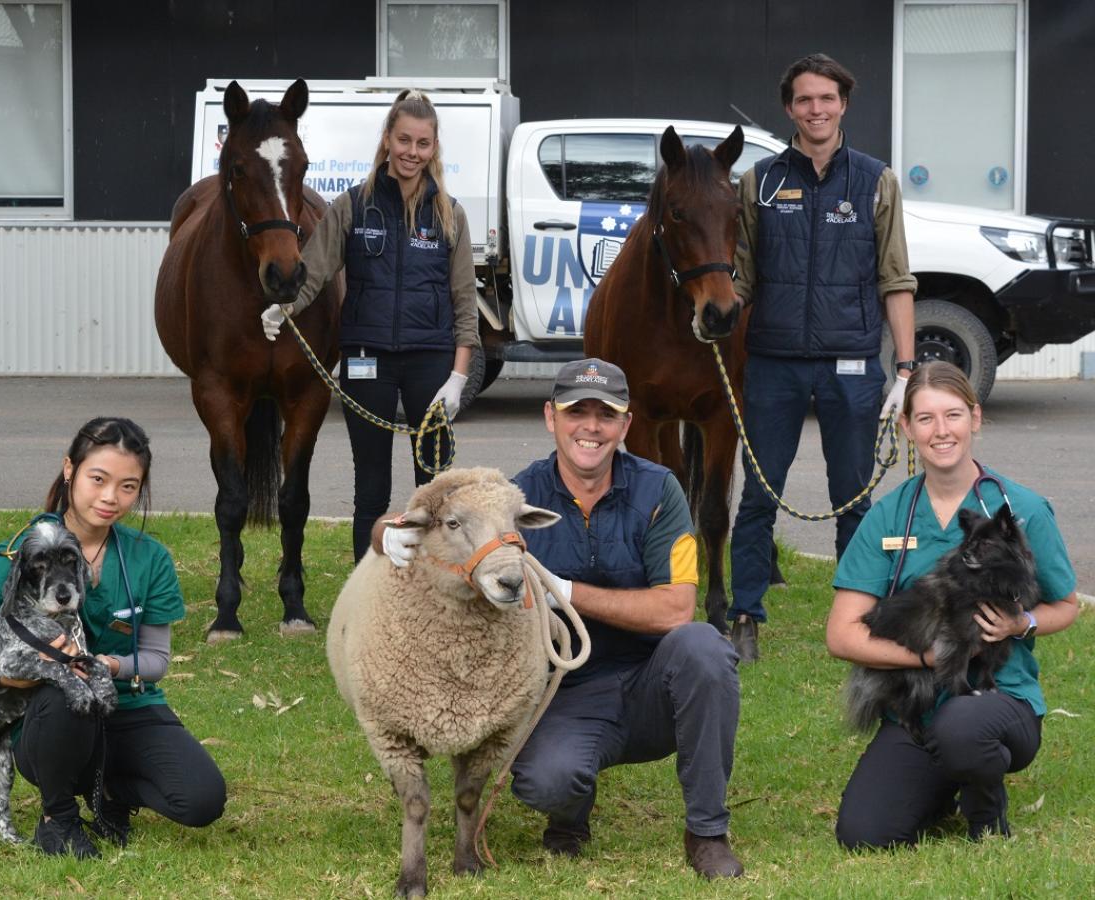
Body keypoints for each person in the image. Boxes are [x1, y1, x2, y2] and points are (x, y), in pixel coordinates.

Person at [376, 359, 745, 879]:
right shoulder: (513, 499)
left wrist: (565, 592)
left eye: (605, 415)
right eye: (577, 412)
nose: (590, 427)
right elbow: (431, 522)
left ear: (626, 425)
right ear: (551, 417)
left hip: (652, 684)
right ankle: (570, 812)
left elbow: (677, 608)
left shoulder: (659, 491)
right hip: (564, 693)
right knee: (547, 781)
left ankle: (707, 833)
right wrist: (386, 534)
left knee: (703, 648)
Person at [0, 417, 226, 859]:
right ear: (70, 470)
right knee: (64, 690)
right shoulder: (19, 553)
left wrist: (110, 666)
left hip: (127, 704)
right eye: (98, 479)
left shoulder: (150, 558)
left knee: (201, 800)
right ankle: (59, 818)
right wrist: (9, 677)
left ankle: (107, 791)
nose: (110, 498)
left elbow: (156, 659)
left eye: (128, 486)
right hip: (48, 718)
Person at [827, 362, 1078, 847]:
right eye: (925, 419)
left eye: (954, 415)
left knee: (962, 727)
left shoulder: (1020, 508)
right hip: (917, 705)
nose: (941, 431)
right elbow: (842, 635)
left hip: (998, 701)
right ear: (906, 428)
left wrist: (1019, 623)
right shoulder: (888, 515)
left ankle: (986, 813)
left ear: (975, 418)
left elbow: (1067, 606)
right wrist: (930, 656)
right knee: (864, 833)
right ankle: (941, 787)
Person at [728, 53, 919, 662]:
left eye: (827, 99)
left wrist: (907, 371)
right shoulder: (758, 181)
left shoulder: (875, 180)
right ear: (790, 108)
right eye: (805, 100)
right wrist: (712, 313)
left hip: (853, 365)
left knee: (854, 498)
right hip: (774, 363)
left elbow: (896, 280)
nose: (816, 109)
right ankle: (745, 615)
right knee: (759, 494)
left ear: (843, 104)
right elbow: (741, 279)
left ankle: (859, 616)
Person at [261, 88, 480, 562]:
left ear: (434, 148)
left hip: (431, 364)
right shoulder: (353, 207)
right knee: (371, 491)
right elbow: (314, 272)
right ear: (387, 139)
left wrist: (458, 378)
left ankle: (434, 584)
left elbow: (466, 303)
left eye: (423, 144)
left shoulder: (450, 215)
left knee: (438, 492)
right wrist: (284, 308)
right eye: (404, 140)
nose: (412, 152)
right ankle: (369, 587)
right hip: (367, 364)